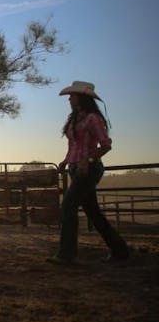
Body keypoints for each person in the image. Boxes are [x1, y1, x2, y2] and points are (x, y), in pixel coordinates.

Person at [48, 80, 129, 265]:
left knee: (68, 205)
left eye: (72, 95)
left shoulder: (93, 118)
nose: (69, 98)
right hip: (76, 168)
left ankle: (67, 254)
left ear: (81, 98)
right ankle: (120, 250)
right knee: (92, 211)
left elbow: (106, 145)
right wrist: (65, 161)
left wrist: (88, 160)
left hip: (89, 169)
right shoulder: (75, 119)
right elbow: (73, 147)